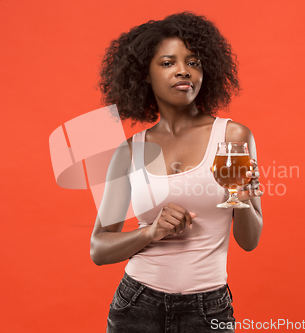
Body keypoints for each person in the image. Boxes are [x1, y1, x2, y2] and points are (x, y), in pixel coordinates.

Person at [90, 12, 263, 333]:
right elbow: (98, 249)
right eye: (168, 63)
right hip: (136, 304)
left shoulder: (233, 138)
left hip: (208, 307)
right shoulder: (130, 151)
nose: (183, 70)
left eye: (194, 62)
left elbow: (249, 241)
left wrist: (238, 196)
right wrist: (150, 232)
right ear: (144, 74)